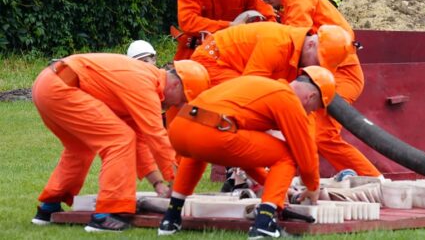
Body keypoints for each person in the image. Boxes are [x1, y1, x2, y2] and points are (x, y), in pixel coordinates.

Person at [30, 56, 209, 232]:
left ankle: (49, 208)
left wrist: (158, 184)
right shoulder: (145, 84)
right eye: (184, 99)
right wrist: (177, 180)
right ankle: (107, 213)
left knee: (80, 148)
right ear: (177, 85)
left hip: (49, 85)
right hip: (59, 87)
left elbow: (140, 139)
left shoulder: (145, 80)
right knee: (119, 140)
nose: (179, 106)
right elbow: (156, 136)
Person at [158, 67, 336, 238]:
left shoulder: (261, 88)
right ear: (311, 97)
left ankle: (170, 219)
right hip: (214, 132)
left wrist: (273, 185)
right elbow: (304, 151)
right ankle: (264, 223)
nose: (311, 112)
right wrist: (313, 186)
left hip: (180, 128)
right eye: (314, 108)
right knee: (287, 155)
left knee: (198, 152)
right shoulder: (287, 98)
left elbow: (243, 156)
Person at [245, 0, 380, 177]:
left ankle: (374, 180)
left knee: (322, 135)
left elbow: (294, 42)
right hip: (329, 72)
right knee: (307, 128)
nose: (266, 1)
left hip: (341, 73)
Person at [190, 21, 352, 88]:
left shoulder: (296, 51)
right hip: (212, 60)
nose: (315, 69)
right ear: (310, 44)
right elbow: (250, 87)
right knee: (245, 104)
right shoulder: (278, 44)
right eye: (318, 62)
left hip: (229, 66)